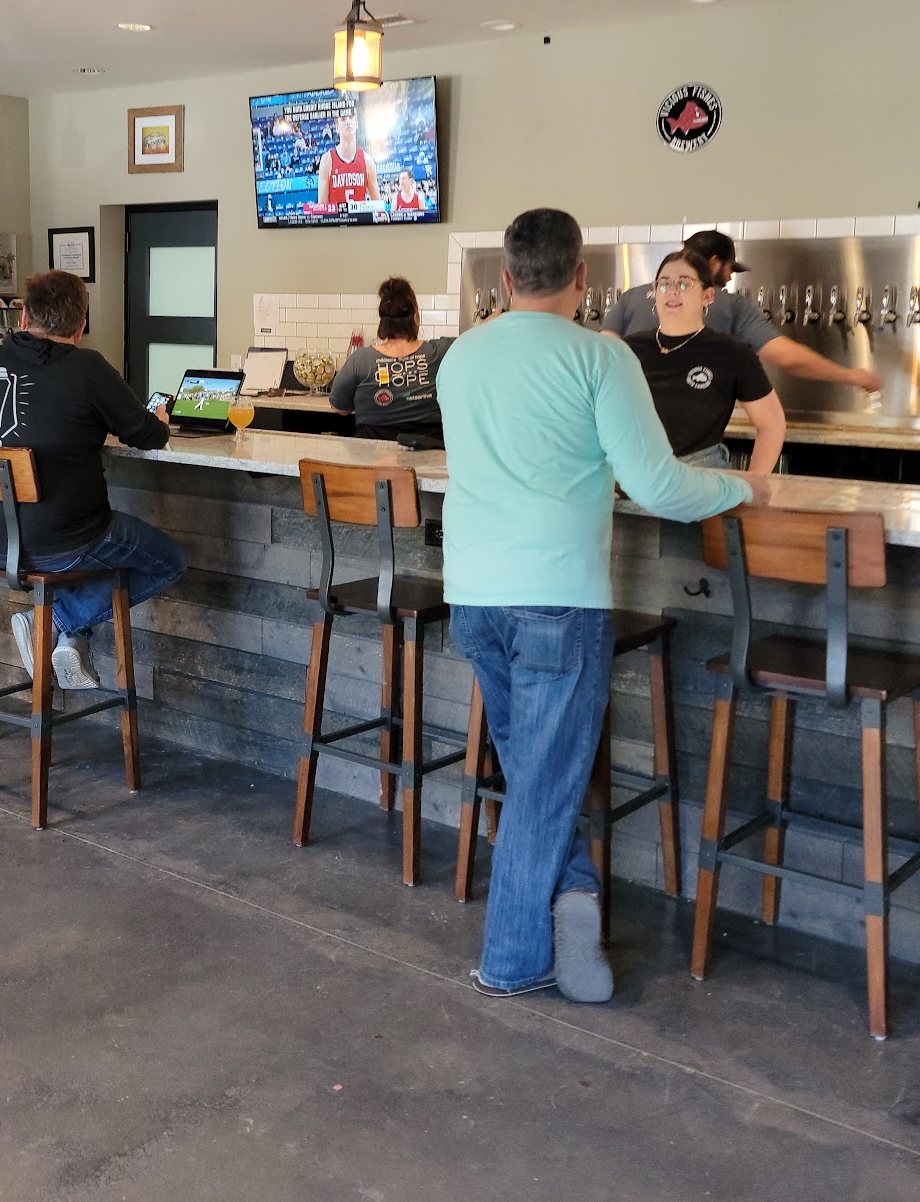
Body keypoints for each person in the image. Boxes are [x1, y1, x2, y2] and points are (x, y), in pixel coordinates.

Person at [439, 208, 767, 1004]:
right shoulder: (601, 356)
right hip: (557, 596)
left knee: (533, 773)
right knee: (545, 783)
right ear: (582, 279)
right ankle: (513, 961)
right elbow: (657, 485)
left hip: (473, 595)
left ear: (506, 280)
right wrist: (743, 487)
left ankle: (576, 889)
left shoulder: (460, 355)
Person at [0, 269, 184, 690]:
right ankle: (57, 621)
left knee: (90, 555)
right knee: (168, 560)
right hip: (62, 542)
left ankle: (72, 638)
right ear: (81, 324)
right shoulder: (87, 368)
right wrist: (160, 419)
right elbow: (148, 435)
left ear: (24, 317)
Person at [602, 229, 881, 394]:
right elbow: (786, 357)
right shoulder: (731, 305)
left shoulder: (630, 298)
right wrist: (850, 375)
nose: (729, 278)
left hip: (628, 431)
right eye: (730, 269)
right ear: (714, 263)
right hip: (690, 443)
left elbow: (603, 356)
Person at [626, 248, 786, 473]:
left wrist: (755, 482)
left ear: (707, 296)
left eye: (684, 284)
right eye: (664, 284)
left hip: (701, 476)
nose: (672, 291)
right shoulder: (626, 349)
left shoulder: (732, 353)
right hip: (633, 474)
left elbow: (772, 424)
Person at [328, 277, 452, 440]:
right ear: (415, 318)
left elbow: (339, 408)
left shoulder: (360, 360)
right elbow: (475, 341)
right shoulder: (441, 351)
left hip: (371, 453)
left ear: (383, 322)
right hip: (428, 450)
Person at [311, 108, 374, 218]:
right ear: (337, 127)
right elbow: (322, 208)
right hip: (335, 225)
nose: (348, 122)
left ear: (356, 124)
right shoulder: (327, 160)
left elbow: (378, 205)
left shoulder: (367, 160)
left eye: (351, 118)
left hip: (360, 225)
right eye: (343, 119)